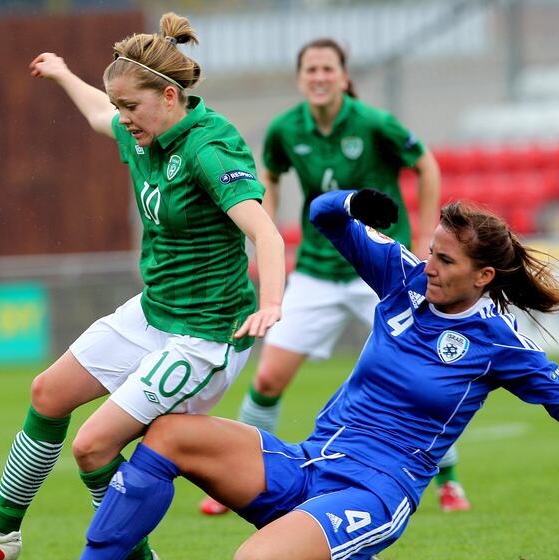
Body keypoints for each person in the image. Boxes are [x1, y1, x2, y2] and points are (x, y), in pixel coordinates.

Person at [0, 188, 559, 560]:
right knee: (165, 431)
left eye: (446, 262)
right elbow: (324, 216)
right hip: (307, 462)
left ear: (484, 276)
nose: (430, 266)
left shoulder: (500, 344)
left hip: (374, 492)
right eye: (432, 252)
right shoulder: (403, 279)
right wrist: (352, 200)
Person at [0, 11, 285, 560]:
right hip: (153, 314)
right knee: (48, 393)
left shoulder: (208, 145)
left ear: (169, 97)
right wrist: (65, 73)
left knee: (93, 448)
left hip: (203, 338)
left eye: (131, 107)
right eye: (119, 105)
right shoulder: (141, 126)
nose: (121, 118)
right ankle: (1, 528)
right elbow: (98, 112)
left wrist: (272, 301)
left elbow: (265, 234)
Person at [201, 37, 468, 516]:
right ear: (300, 78)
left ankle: (449, 482)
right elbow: (272, 180)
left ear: (343, 77)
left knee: (421, 378)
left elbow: (425, 163)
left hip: (385, 275)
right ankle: (233, 481)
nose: (319, 77)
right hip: (318, 272)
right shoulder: (285, 129)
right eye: (311, 70)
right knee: (267, 379)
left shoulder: (373, 123)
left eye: (328, 69)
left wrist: (430, 233)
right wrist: (267, 232)